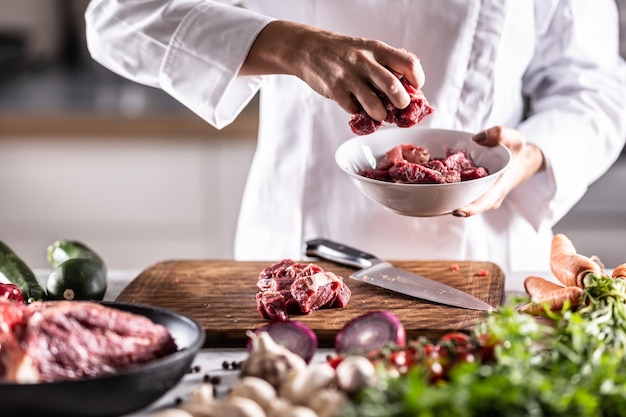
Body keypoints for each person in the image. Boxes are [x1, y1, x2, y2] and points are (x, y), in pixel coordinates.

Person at [84, 0, 626, 274]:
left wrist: (530, 154)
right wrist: (290, 45)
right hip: (300, 250)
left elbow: (595, 89)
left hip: (485, 254)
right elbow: (116, 17)